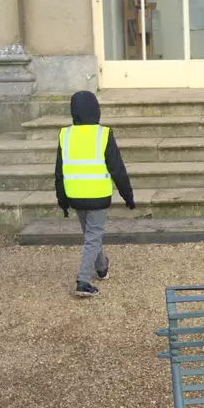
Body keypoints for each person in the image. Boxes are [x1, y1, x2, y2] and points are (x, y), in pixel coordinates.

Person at [55, 90, 135, 299]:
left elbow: (59, 171)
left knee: (92, 236)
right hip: (98, 195)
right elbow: (117, 168)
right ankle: (83, 281)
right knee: (92, 238)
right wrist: (128, 196)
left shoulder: (66, 134)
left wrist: (62, 201)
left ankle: (101, 267)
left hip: (74, 194)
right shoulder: (103, 134)